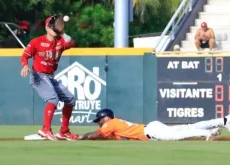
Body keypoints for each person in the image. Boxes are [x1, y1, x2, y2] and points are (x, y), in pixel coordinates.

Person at [20, 14, 77, 141]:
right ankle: (45, 129)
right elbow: (25, 56)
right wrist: (25, 66)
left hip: (50, 77)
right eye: (53, 27)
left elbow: (72, 42)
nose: (55, 29)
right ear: (47, 27)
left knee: (70, 99)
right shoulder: (36, 41)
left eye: (57, 27)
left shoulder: (60, 43)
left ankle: (64, 131)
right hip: (38, 75)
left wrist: (62, 32)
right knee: (53, 98)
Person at [78, 108, 230, 141]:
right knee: (188, 127)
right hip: (151, 129)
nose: (99, 123)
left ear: (105, 118)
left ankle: (208, 133)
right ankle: (223, 121)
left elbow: (95, 135)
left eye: (99, 120)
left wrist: (80, 138)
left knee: (176, 136)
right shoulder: (115, 125)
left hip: (151, 131)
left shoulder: (110, 123)